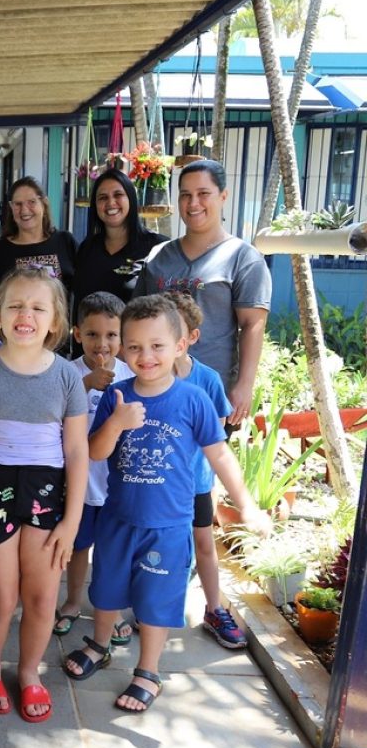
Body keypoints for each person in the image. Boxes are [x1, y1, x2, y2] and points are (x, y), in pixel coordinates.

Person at [64, 295, 270, 713]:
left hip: (170, 525)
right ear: (122, 348)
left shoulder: (193, 399)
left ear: (179, 345)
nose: (146, 356)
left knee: (157, 599)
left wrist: (245, 505)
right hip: (118, 518)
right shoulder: (116, 396)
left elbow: (220, 455)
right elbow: (95, 452)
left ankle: (148, 671)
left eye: (157, 346)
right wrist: (117, 424)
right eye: (135, 346)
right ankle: (99, 645)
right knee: (105, 591)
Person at [0, 267, 88, 721]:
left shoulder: (67, 378)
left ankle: (29, 672)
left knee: (43, 597)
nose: (24, 315)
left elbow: (75, 451)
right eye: (15, 305)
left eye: (37, 307)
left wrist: (70, 521)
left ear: (54, 321)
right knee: (1, 597)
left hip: (47, 493)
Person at [134, 159, 271, 424]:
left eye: (203, 194)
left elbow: (253, 324)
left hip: (210, 392)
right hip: (154, 388)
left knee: (204, 464)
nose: (193, 203)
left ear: (223, 196)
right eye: (185, 195)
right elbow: (137, 320)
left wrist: (244, 385)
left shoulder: (243, 258)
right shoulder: (158, 256)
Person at [165, 291, 247, 648]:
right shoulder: (147, 378)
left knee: (203, 544)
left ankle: (214, 609)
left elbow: (215, 438)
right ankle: (156, 605)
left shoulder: (208, 380)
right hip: (159, 484)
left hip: (196, 483)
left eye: (174, 331)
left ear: (191, 337)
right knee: (163, 544)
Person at [54, 292, 133, 642]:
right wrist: (85, 384)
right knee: (77, 546)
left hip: (117, 484)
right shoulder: (66, 373)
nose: (102, 344)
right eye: (92, 334)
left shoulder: (134, 374)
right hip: (80, 483)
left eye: (111, 335)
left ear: (123, 336)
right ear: (77, 334)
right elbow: (51, 414)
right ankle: (72, 602)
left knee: (112, 552)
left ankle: (109, 612)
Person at [72, 169, 167, 323]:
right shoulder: (87, 248)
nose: (110, 202)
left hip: (134, 344)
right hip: (89, 345)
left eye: (118, 195)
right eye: (103, 197)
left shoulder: (157, 248)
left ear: (131, 198)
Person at [0, 176, 77, 297]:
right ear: (11, 208)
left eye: (31, 202)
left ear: (44, 203)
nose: (24, 210)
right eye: (18, 204)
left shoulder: (65, 242)